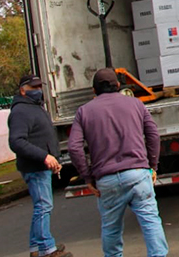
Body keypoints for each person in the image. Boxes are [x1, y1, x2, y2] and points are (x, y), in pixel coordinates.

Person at [68, 68, 168, 257]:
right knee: (150, 221)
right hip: (138, 173)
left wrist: (88, 177)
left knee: (111, 229)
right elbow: (153, 135)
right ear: (118, 86)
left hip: (106, 179)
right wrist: (152, 166)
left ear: (94, 90)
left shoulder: (84, 112)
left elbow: (74, 147)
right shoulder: (135, 104)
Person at [8, 75, 73, 257]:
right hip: (34, 167)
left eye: (39, 86)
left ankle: (36, 248)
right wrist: (44, 156)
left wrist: (53, 158)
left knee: (41, 206)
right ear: (23, 90)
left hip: (41, 165)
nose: (38, 90)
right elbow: (16, 141)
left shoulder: (33, 107)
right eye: (33, 87)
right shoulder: (21, 111)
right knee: (43, 207)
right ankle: (47, 249)